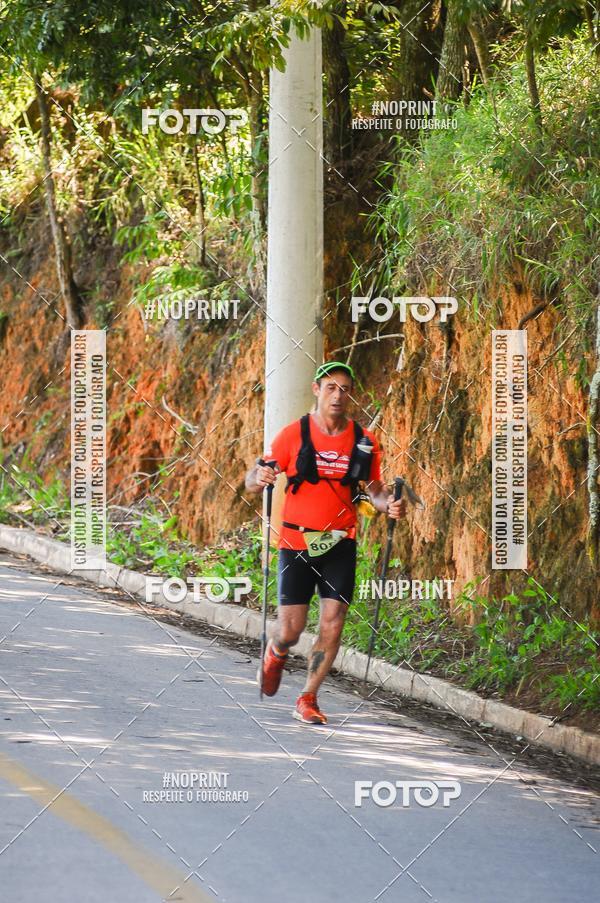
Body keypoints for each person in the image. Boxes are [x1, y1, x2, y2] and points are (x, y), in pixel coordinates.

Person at [245, 361, 406, 725]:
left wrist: (390, 505)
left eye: (345, 389)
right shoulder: (294, 435)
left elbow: (375, 491)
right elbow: (253, 481)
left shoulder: (364, 440)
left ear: (351, 395)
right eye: (331, 388)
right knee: (292, 630)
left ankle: (308, 697)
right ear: (317, 390)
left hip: (339, 541)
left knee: (332, 623)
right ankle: (277, 649)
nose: (338, 395)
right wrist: (261, 474)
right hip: (296, 541)